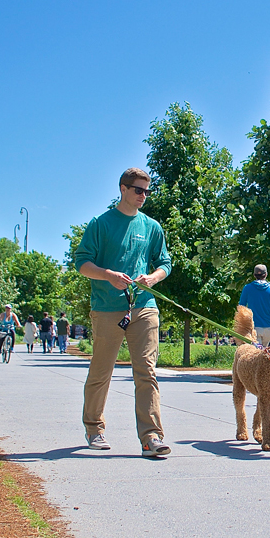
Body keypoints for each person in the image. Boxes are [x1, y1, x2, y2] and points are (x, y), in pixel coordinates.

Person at [73, 167, 172, 457]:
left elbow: (165, 262)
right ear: (123, 189)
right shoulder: (100, 224)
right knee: (102, 371)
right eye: (138, 190)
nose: (143, 196)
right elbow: (82, 263)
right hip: (107, 308)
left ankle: (151, 437)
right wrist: (107, 275)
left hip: (144, 306)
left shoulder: (151, 226)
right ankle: (94, 428)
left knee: (146, 371)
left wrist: (152, 278)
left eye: (146, 191)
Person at [237, 264, 270, 346]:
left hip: (254, 328)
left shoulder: (247, 288)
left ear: (254, 275)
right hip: (268, 329)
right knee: (263, 354)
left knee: (255, 355)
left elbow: (241, 308)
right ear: (266, 274)